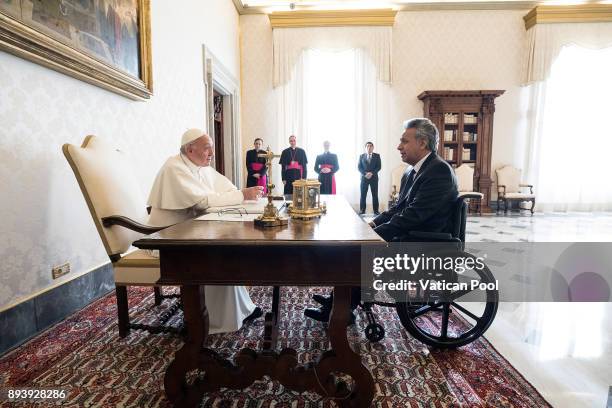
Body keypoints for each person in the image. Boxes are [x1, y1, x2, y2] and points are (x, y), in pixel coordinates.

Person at [305, 118, 459, 323]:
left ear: (422, 143)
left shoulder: (438, 170)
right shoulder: (411, 170)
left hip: (425, 240)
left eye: (404, 141)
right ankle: (340, 301)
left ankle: (342, 308)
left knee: (358, 250)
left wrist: (375, 235)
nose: (399, 146)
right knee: (355, 245)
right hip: (410, 233)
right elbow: (398, 209)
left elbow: (414, 215)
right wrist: (372, 225)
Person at [147, 128, 264, 333]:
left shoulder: (201, 167)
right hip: (169, 239)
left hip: (192, 231)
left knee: (227, 248)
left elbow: (228, 190)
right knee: (216, 254)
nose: (212, 154)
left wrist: (241, 194)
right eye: (207, 148)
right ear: (190, 149)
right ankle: (214, 320)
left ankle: (243, 309)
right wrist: (241, 194)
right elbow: (202, 202)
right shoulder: (174, 167)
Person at [358, 142, 381, 215]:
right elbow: (359, 167)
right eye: (367, 146)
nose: (369, 147)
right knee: (363, 195)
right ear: (365, 148)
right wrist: (365, 174)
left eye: (371, 146)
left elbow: (379, 167)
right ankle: (362, 210)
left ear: (373, 147)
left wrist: (372, 173)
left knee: (375, 195)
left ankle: (376, 210)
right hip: (364, 178)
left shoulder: (377, 156)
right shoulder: (361, 156)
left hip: (374, 178)